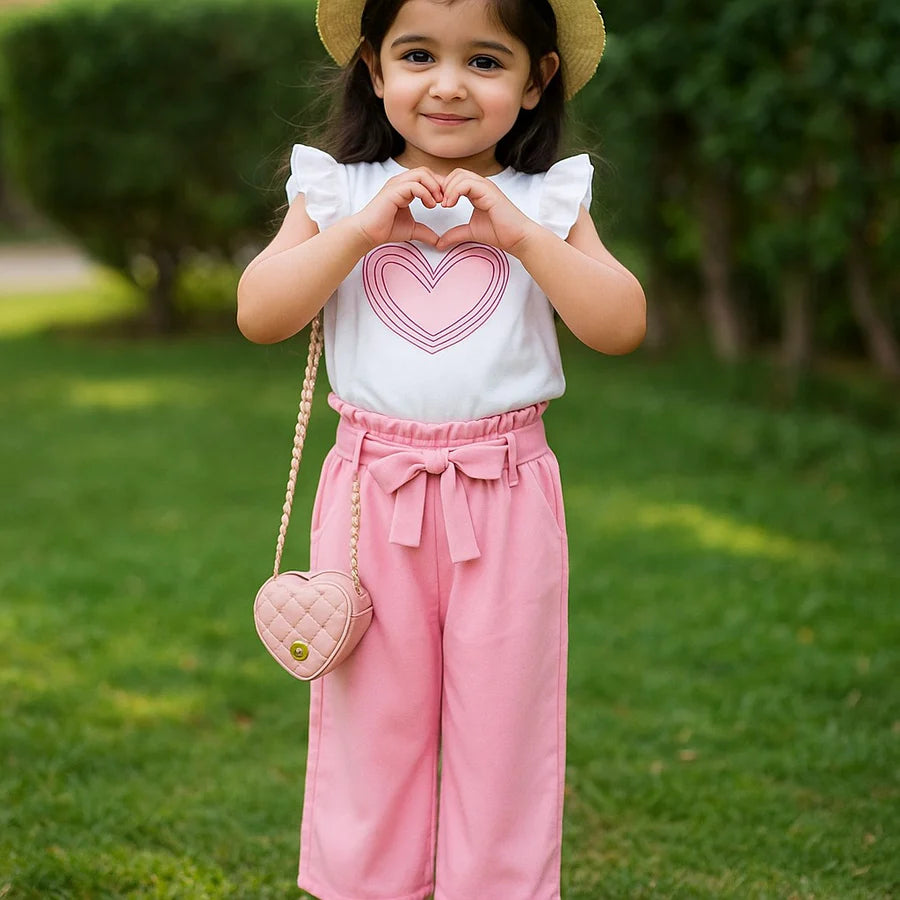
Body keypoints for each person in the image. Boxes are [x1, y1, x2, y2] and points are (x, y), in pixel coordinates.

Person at [237, 0, 645, 896]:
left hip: (505, 492)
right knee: (372, 714)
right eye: (418, 55)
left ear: (537, 79)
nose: (449, 85)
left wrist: (524, 237)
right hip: (369, 493)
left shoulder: (546, 200)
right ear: (374, 68)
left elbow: (620, 325)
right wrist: (358, 231)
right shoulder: (337, 191)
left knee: (504, 717)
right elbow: (261, 314)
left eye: (486, 61)